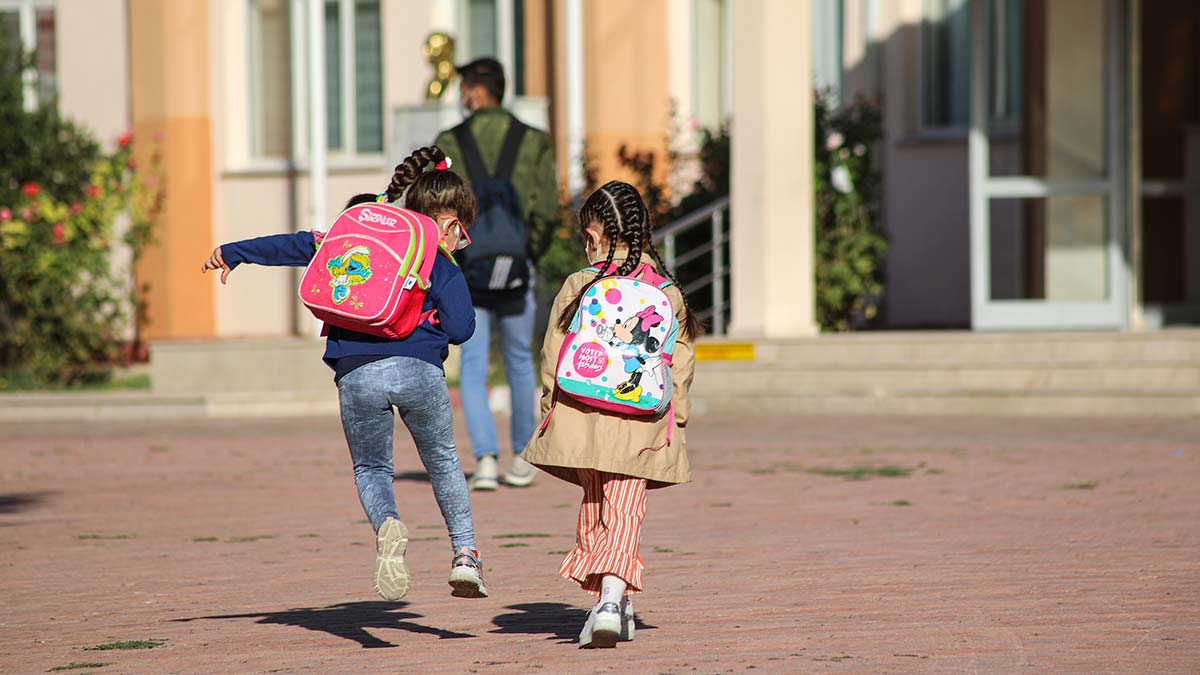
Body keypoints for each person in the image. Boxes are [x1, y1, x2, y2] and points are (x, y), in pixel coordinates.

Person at [199, 147, 489, 601]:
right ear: (451, 224)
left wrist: (234, 253)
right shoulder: (437, 257)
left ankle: (388, 523)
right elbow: (461, 329)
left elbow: (296, 244)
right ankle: (465, 555)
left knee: (372, 467)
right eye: (462, 234)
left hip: (356, 373)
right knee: (443, 461)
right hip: (419, 371)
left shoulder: (354, 234)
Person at [521, 180, 701, 647]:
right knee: (625, 508)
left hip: (583, 413)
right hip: (641, 420)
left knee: (599, 505)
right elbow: (680, 366)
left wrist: (550, 408)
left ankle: (612, 599)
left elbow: (553, 353)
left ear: (593, 234)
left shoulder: (581, 284)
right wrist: (677, 421)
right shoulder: (667, 291)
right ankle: (612, 602)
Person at [434, 57, 561, 491]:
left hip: (466, 268)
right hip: (516, 263)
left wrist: (452, 255)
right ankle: (523, 457)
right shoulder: (533, 140)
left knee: (472, 363)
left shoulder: (450, 141)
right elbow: (547, 207)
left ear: (474, 91)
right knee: (520, 359)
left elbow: (436, 204)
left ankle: (485, 460)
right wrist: (528, 251)